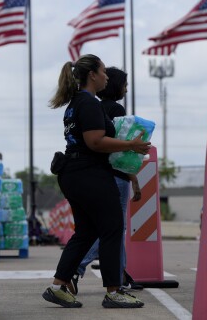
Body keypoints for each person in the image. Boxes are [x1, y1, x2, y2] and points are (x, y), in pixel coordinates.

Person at [43, 54, 150, 308]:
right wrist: (132, 145)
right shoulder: (88, 103)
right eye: (103, 72)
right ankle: (114, 291)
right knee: (112, 228)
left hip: (75, 174)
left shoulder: (75, 103)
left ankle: (59, 286)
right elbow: (95, 142)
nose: (106, 77)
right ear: (92, 74)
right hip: (89, 174)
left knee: (87, 232)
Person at [70, 67, 143, 294]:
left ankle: (120, 275)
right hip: (117, 175)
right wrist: (133, 177)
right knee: (113, 229)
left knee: (107, 228)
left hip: (97, 173)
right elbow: (120, 148)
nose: (126, 89)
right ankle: (76, 267)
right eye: (125, 84)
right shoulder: (117, 109)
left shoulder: (95, 107)